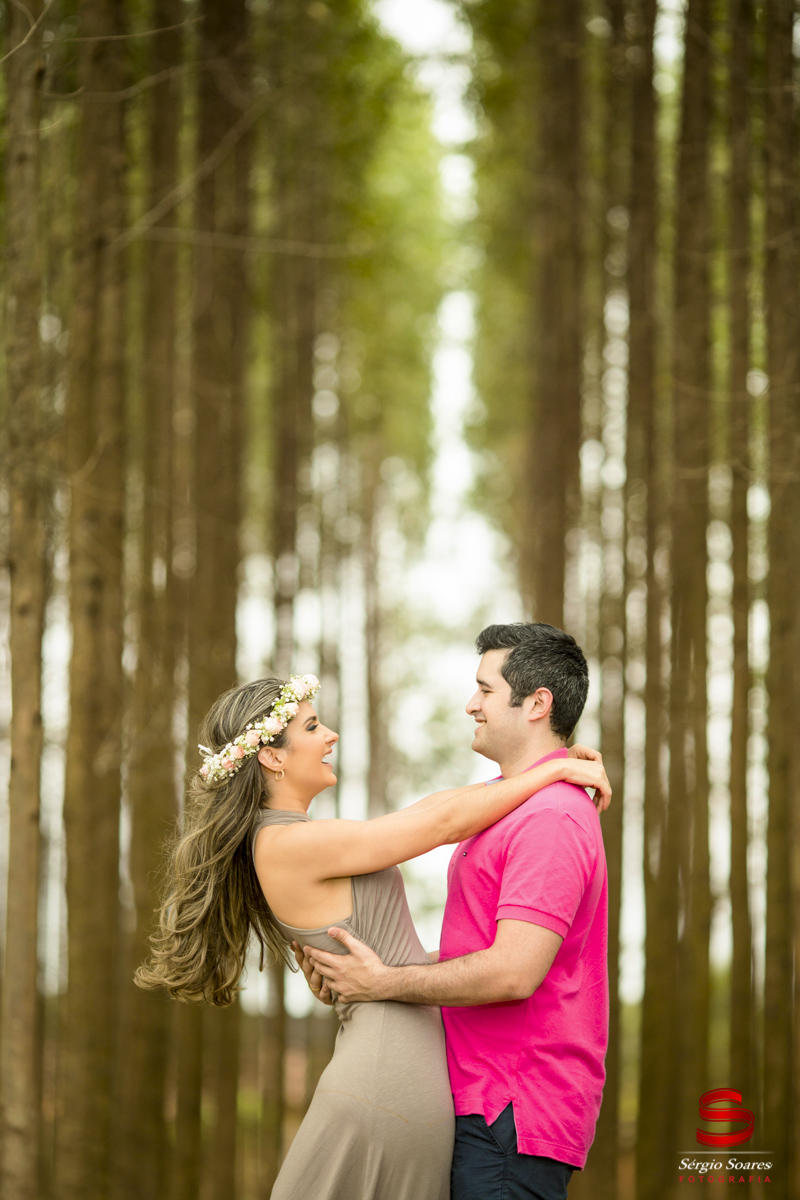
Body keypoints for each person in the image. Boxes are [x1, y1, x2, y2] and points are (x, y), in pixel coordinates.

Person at [135, 661, 610, 1200]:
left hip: (401, 1073)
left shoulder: (299, 838)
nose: (330, 734)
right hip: (386, 1078)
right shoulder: (287, 844)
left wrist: (546, 767)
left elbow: (434, 808)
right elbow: (441, 823)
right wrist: (550, 774)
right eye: (312, 726)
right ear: (271, 756)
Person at [301, 622, 609, 1200]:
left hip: (512, 1112)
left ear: (537, 704)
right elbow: (483, 951)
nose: (471, 704)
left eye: (486, 690)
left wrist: (384, 983)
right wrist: (355, 971)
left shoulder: (550, 818)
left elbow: (513, 971)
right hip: (480, 1103)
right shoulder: (513, 804)